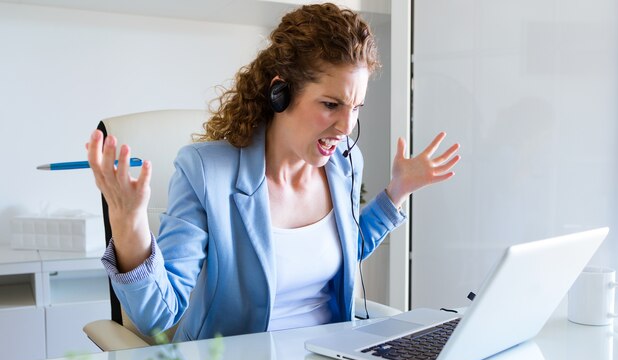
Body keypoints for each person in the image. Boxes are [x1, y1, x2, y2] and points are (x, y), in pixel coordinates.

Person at [86, 3, 460, 342]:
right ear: (280, 92)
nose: (347, 126)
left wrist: (396, 193)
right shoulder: (205, 172)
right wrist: (128, 223)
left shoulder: (344, 164)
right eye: (331, 105)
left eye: (356, 107)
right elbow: (159, 314)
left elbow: (340, 253)